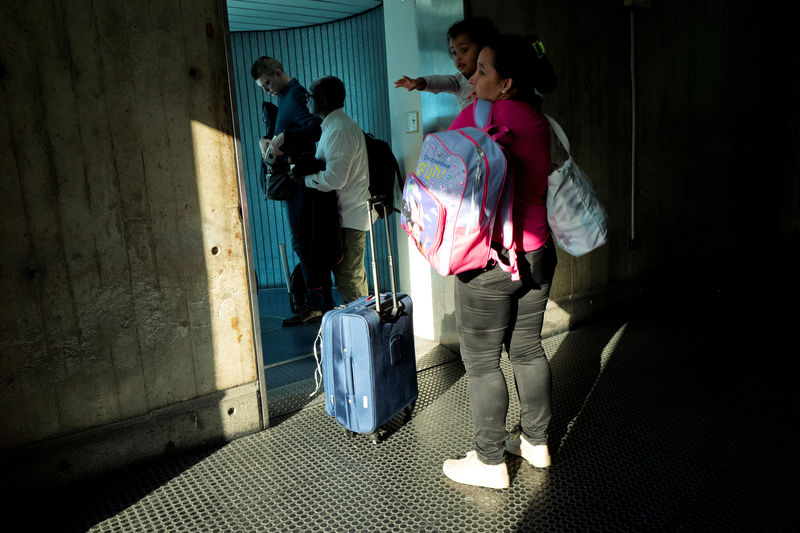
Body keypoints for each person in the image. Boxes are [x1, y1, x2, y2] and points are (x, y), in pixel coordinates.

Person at [440, 34, 559, 489]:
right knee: (527, 349)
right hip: (539, 252)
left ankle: (489, 462)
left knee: (483, 362)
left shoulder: (481, 114)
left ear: (506, 83)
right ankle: (536, 442)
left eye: (482, 71)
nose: (473, 77)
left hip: (491, 262)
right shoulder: (538, 118)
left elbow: (439, 169)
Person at [251, 56, 340, 326]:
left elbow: (316, 129)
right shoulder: (286, 97)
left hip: (306, 183)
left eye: (267, 83)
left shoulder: (298, 95)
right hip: (298, 182)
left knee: (306, 243)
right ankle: (319, 302)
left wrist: (287, 136)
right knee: (305, 243)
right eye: (262, 87)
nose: (267, 90)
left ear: (278, 73)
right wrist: (267, 138)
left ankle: (318, 303)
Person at [292, 76, 370, 304]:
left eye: (310, 96)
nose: (306, 101)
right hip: (344, 216)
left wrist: (303, 179)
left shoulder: (339, 130)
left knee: (350, 280)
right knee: (351, 278)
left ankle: (366, 330)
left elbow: (335, 179)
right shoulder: (335, 127)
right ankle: (364, 328)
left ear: (323, 99)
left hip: (348, 217)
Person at [394, 17, 499, 110]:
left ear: (483, 49)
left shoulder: (496, 76)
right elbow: (439, 82)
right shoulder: (459, 81)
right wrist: (420, 82)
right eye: (454, 53)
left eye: (464, 50)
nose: (458, 57)